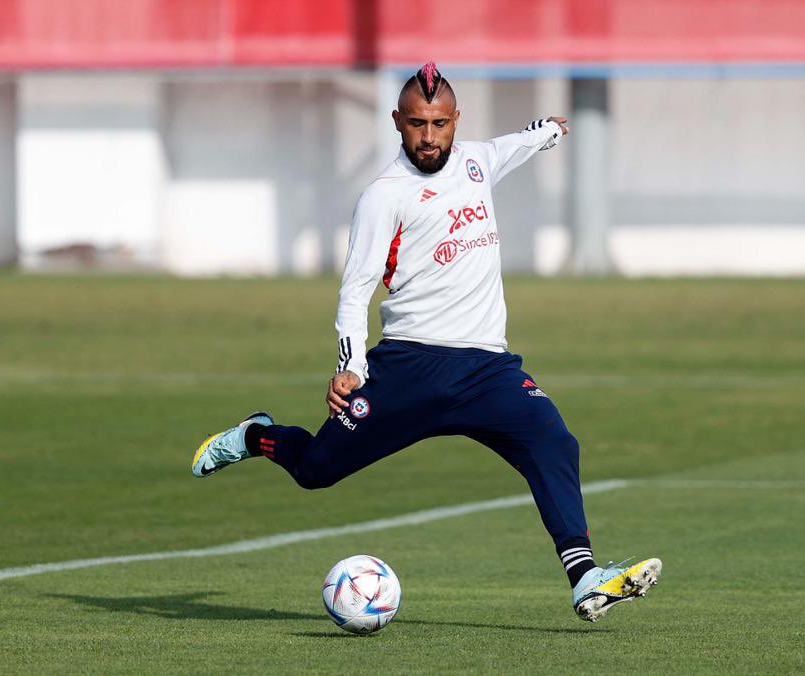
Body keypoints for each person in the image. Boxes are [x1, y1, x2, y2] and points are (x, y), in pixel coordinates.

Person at [191, 62, 661, 622]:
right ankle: (257, 435)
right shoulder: (383, 197)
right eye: (417, 123)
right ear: (397, 121)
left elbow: (515, 144)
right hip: (409, 368)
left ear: (456, 120)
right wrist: (349, 366)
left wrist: (550, 131)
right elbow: (355, 288)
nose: (429, 136)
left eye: (440, 123)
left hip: (489, 371)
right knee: (316, 470)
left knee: (554, 442)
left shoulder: (476, 160)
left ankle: (585, 578)